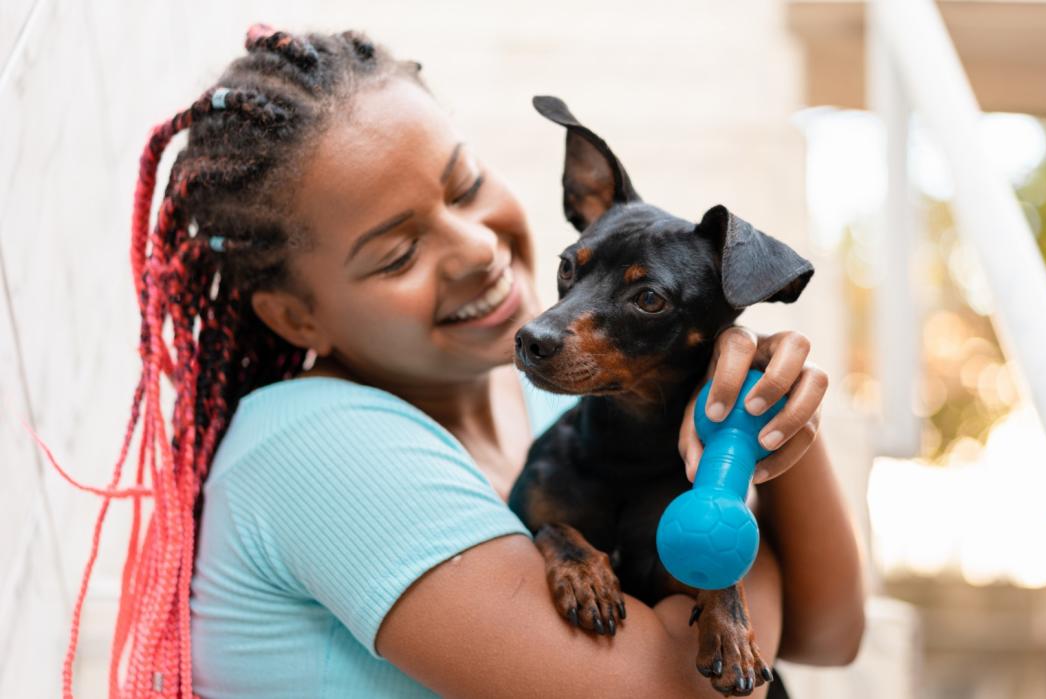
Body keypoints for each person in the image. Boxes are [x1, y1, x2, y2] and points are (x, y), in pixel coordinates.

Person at [64, 25, 864, 699]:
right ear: (296, 314)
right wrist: (723, 566)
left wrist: (757, 412)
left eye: (467, 184)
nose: (478, 247)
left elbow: (833, 633)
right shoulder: (316, 449)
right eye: (399, 252)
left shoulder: (563, 403)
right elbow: (692, 693)